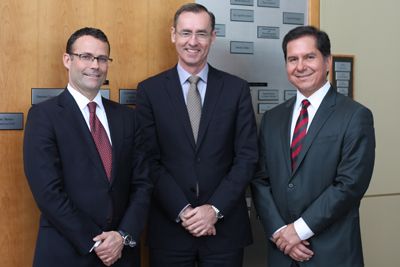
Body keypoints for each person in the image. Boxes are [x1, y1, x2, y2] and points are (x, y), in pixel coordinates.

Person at [136, 3, 258, 267]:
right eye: (185, 32)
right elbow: (148, 160)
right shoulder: (149, 91)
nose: (193, 41)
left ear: (212, 37)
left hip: (224, 233)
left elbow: (246, 157)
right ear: (173, 35)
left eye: (201, 33)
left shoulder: (236, 90)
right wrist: (184, 212)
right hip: (170, 231)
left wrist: (213, 210)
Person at [23, 27, 152, 267]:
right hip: (67, 253)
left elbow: (142, 184)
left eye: (102, 59)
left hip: (121, 255)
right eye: (86, 57)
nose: (95, 65)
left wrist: (121, 236)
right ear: (67, 59)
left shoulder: (127, 118)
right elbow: (48, 192)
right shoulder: (43, 117)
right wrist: (95, 243)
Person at [251, 25, 375, 267]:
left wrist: (298, 230)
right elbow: (260, 179)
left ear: (327, 61)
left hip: (331, 253)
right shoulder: (272, 118)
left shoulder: (355, 115)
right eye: (292, 59)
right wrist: (279, 232)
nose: (300, 66)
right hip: (281, 252)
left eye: (309, 57)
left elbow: (349, 185)